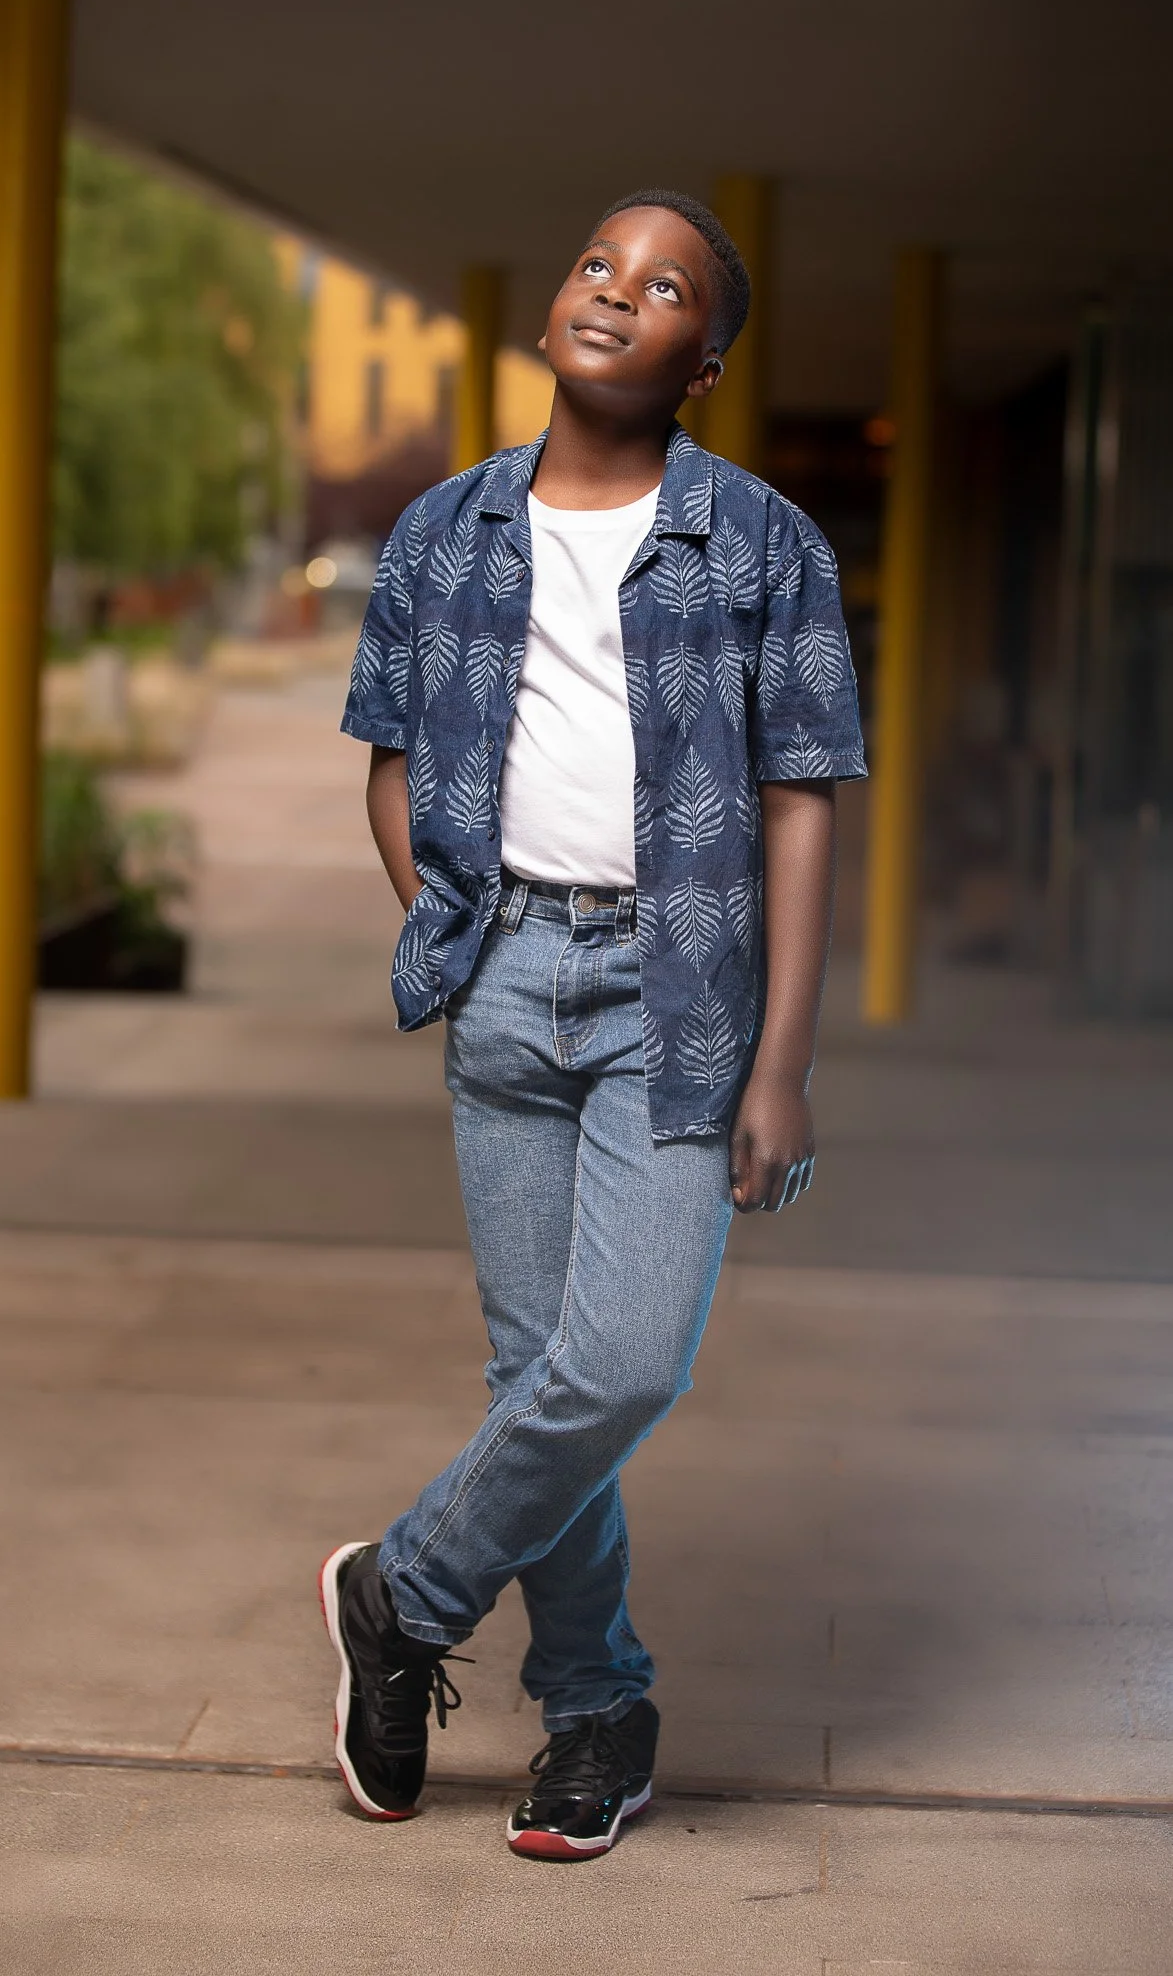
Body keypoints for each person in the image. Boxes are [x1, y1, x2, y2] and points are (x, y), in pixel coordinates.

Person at [322, 188, 866, 1861]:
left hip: (679, 997)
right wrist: (452, 927)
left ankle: (402, 1594)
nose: (618, 296)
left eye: (668, 288)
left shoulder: (764, 543)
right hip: (504, 981)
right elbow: (393, 755)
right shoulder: (443, 530)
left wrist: (780, 1058)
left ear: (705, 360)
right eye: (596, 268)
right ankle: (597, 1710)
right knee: (533, 1367)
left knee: (623, 1359)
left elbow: (801, 801)